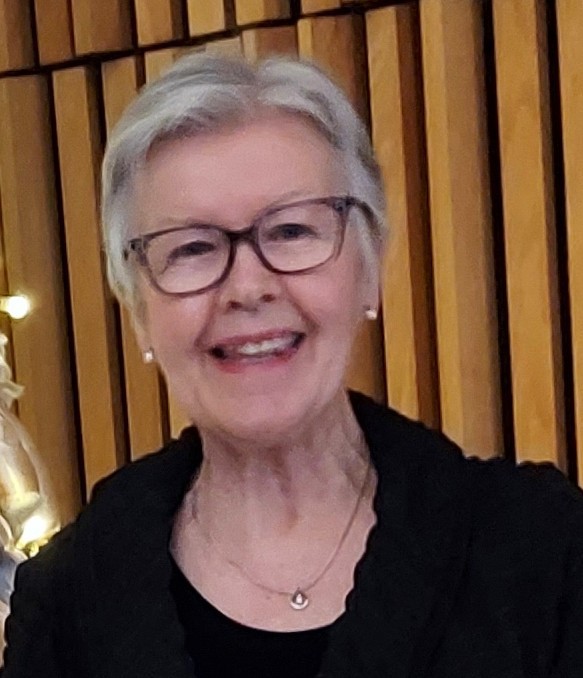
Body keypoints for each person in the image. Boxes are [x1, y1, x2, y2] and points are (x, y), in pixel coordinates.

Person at [2, 52, 583, 678]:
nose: (248, 287)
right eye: (192, 247)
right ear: (139, 310)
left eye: (290, 232)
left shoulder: (544, 554)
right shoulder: (66, 607)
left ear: (369, 268)